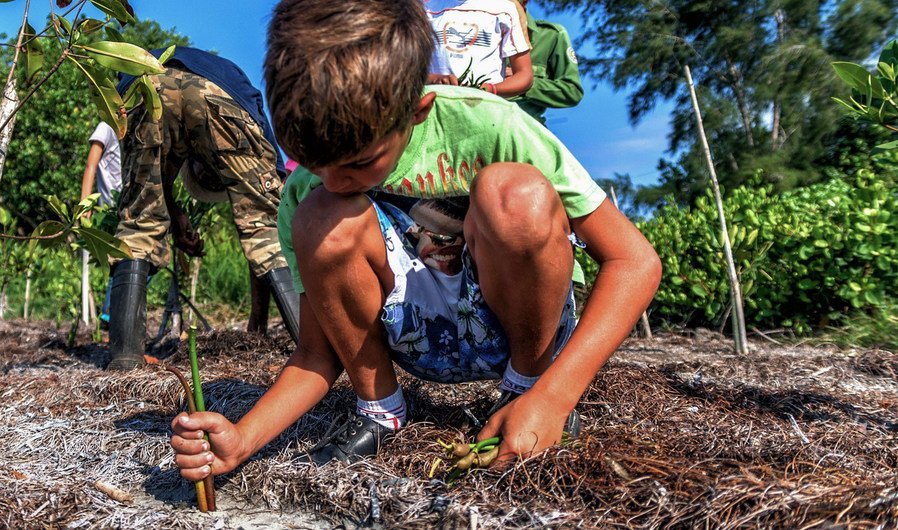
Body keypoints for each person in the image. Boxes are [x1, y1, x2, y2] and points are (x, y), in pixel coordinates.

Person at [169, 0, 660, 476]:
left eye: (360, 162)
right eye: (315, 163)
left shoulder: (490, 122)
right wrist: (242, 439)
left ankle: (523, 386)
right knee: (319, 216)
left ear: (418, 109)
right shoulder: (310, 192)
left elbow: (634, 262)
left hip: (522, 328)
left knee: (516, 196)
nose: (335, 181)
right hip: (419, 340)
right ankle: (380, 408)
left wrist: (552, 395)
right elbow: (318, 352)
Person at [106, 46, 301, 370]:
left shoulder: (199, 83)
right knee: (267, 225)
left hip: (144, 87)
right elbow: (270, 206)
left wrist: (176, 217)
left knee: (138, 222)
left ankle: (124, 360)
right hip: (221, 98)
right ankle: (314, 349)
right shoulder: (231, 77)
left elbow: (153, 190)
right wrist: (269, 211)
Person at [425, 0, 533, 98]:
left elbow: (525, 75)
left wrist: (490, 89)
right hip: (434, 105)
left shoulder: (505, 9)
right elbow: (409, 70)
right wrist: (434, 79)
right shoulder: (423, 8)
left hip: (485, 109)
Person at [79, 121, 124, 324]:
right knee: (121, 259)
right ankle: (109, 314)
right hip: (111, 209)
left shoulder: (136, 122)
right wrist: (85, 206)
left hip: (129, 204)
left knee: (128, 259)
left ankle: (112, 312)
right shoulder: (106, 127)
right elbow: (91, 165)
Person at [514, 0, 584, 124]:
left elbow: (571, 92)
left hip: (527, 129)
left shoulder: (551, 35)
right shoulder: (473, 34)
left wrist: (523, 82)